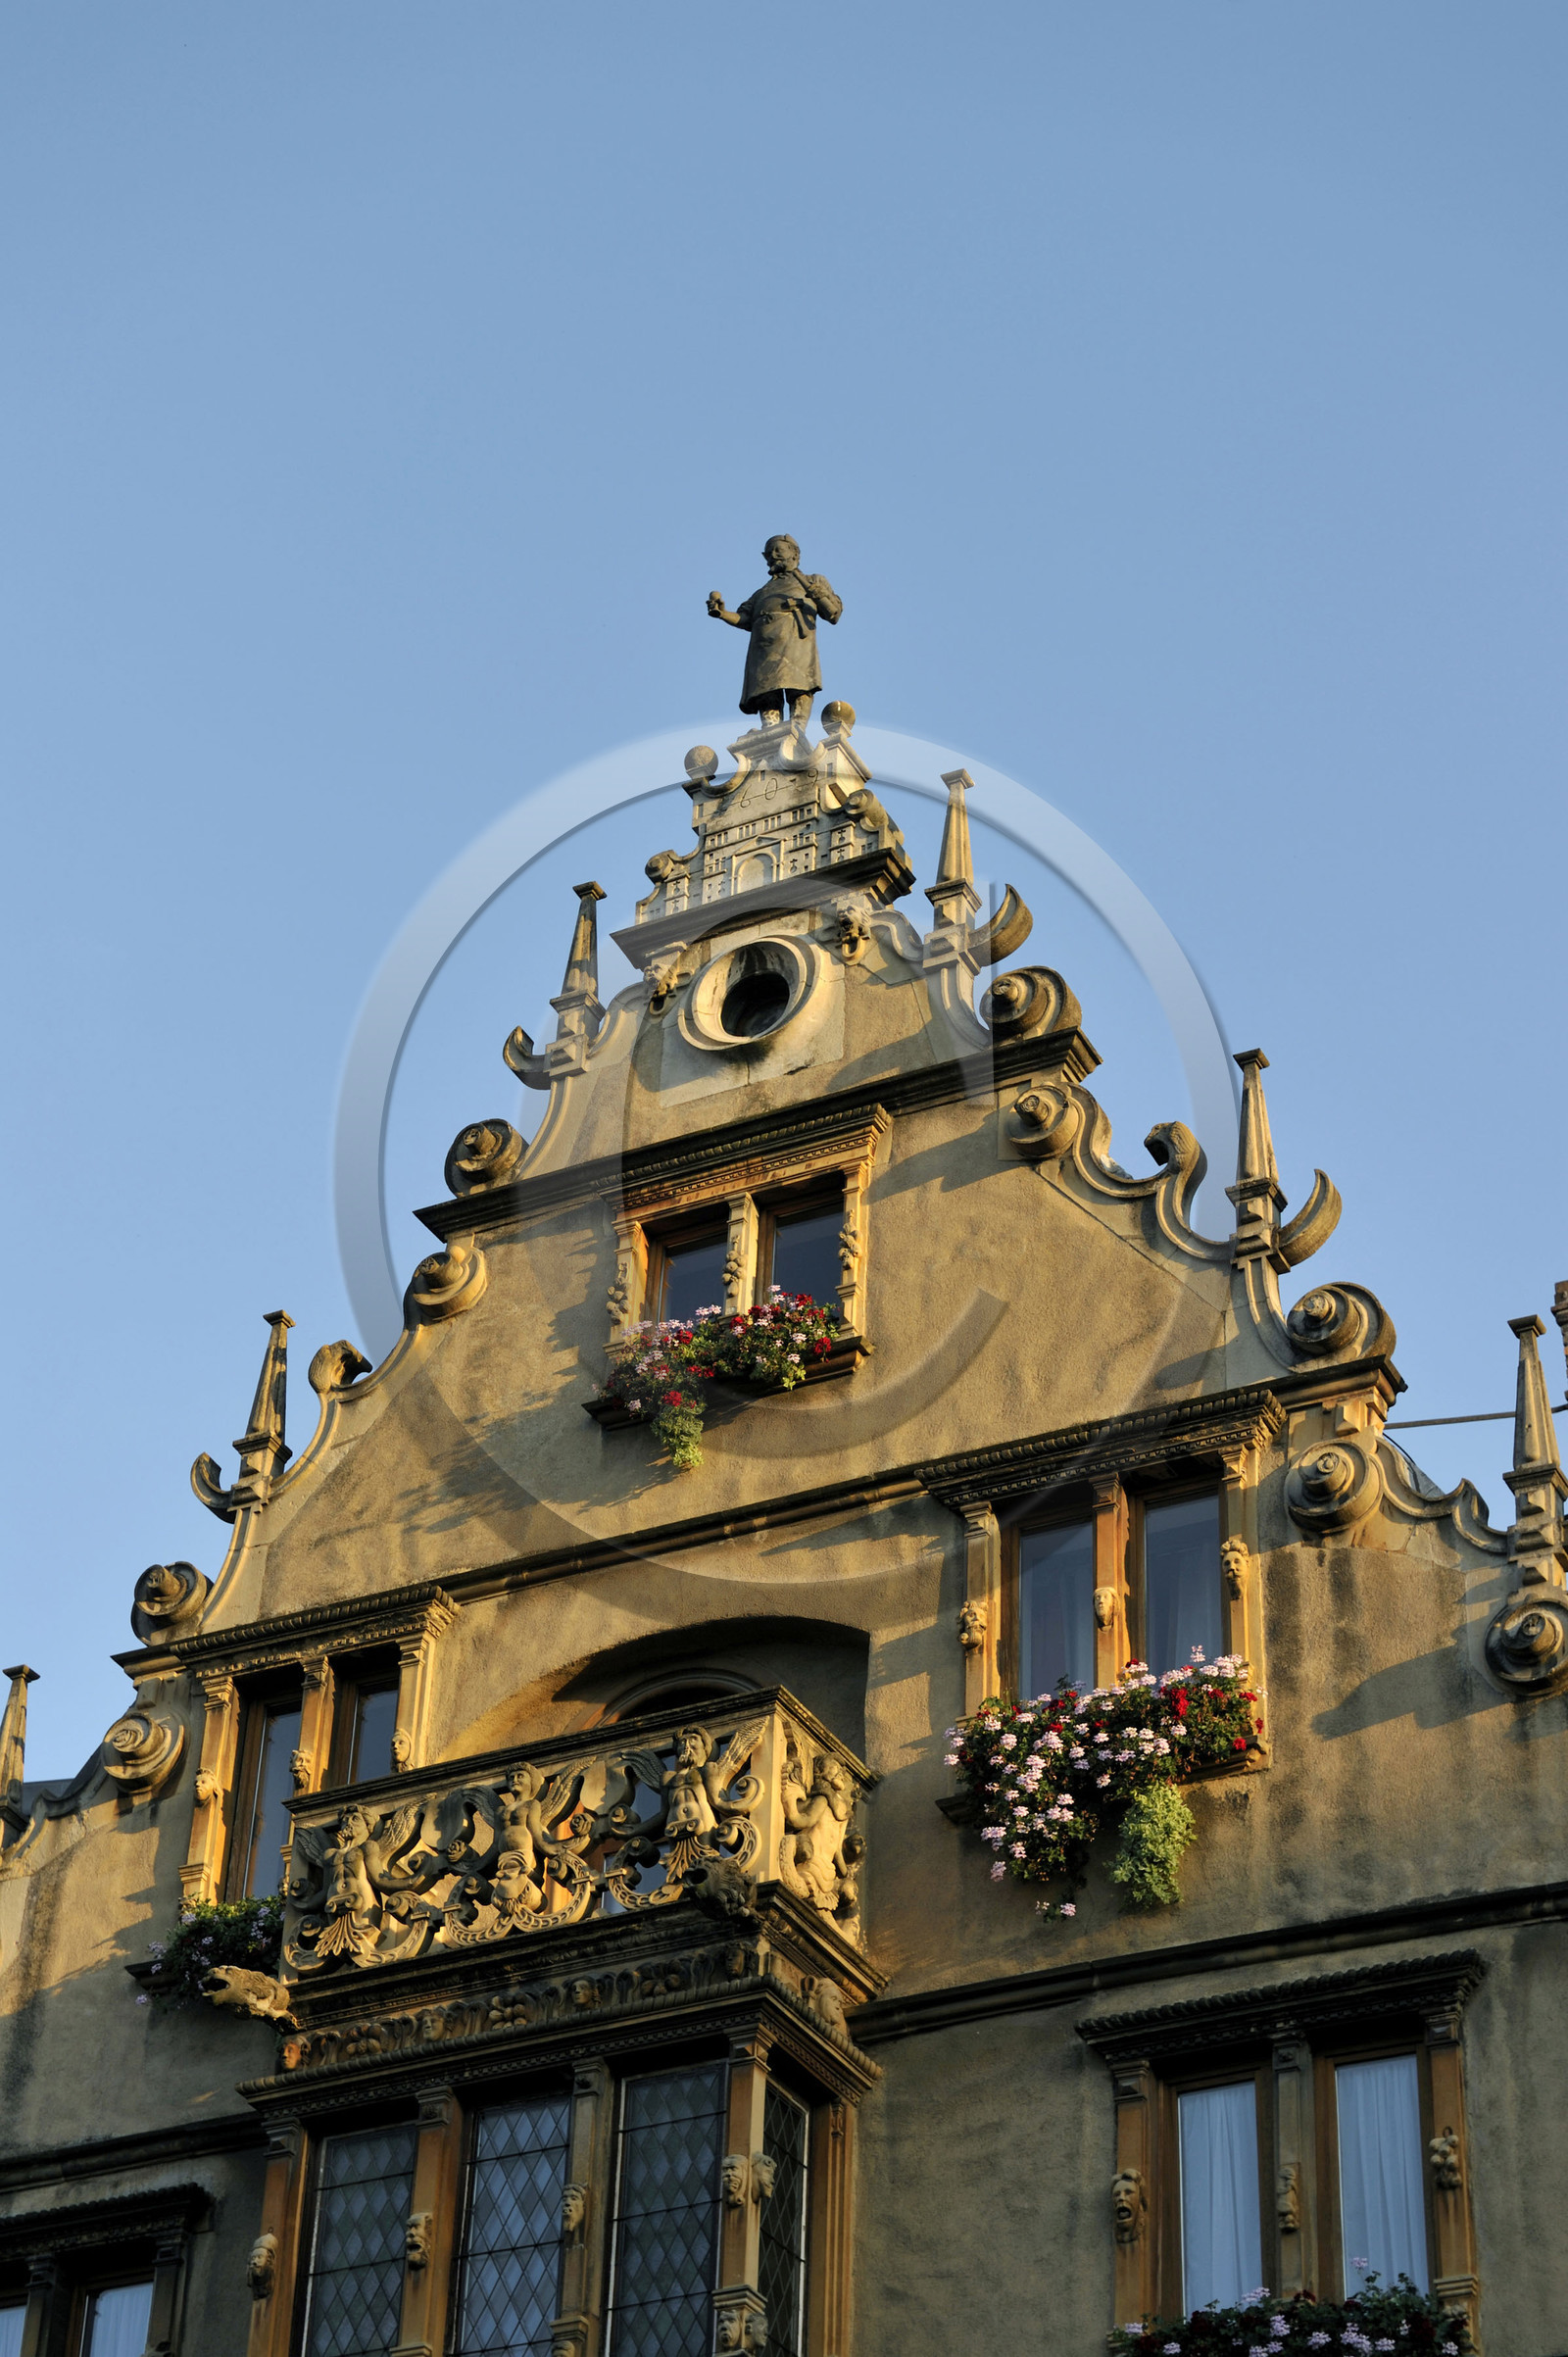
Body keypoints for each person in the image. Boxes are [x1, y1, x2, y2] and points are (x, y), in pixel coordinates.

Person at [707, 535, 842, 723]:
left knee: (799, 686)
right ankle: (771, 730)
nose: (773, 556)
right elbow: (744, 618)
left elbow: (833, 613)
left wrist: (815, 592)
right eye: (769, 553)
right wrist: (722, 613)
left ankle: (797, 728)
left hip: (795, 641)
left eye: (778, 550)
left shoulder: (813, 580)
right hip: (763, 647)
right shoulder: (762, 592)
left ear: (794, 554)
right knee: (767, 691)